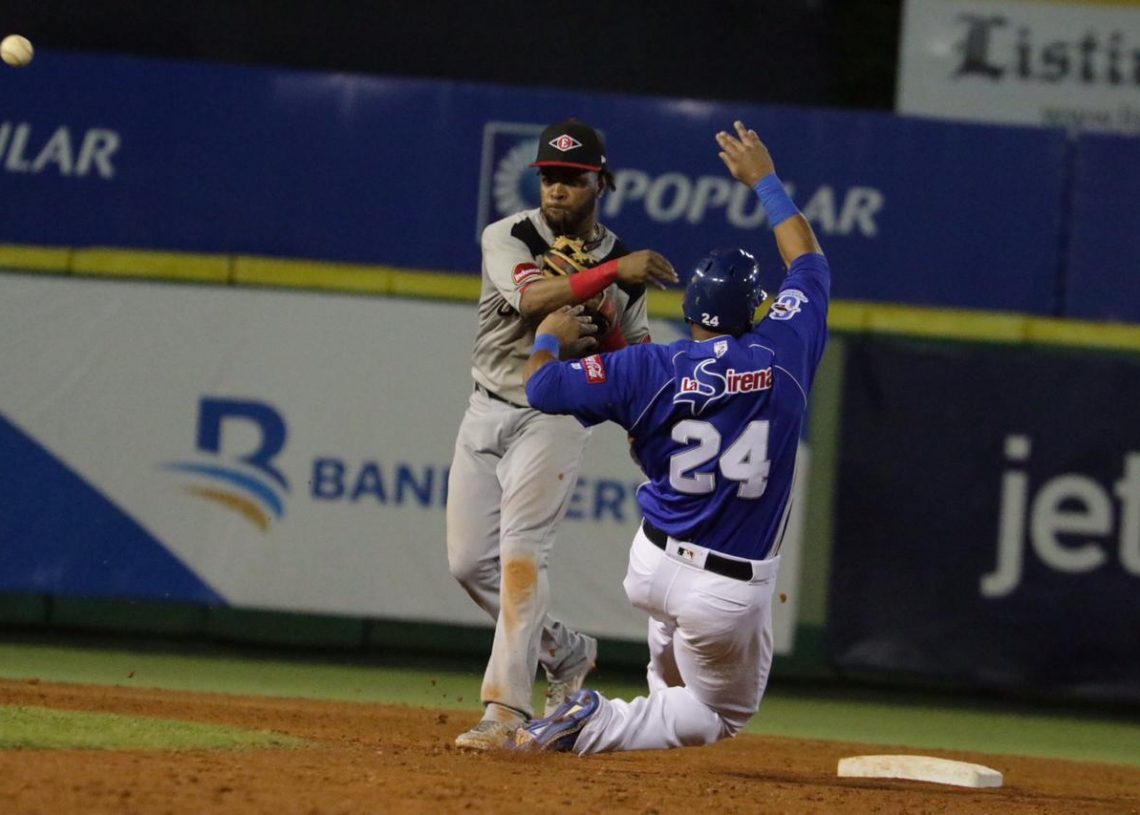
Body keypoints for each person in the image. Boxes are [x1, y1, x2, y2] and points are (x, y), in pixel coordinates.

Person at [511, 120, 830, 754]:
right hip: (726, 588)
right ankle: (594, 721)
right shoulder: (785, 351)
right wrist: (764, 179)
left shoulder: (645, 368)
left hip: (651, 563)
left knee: (679, 664)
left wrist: (549, 332)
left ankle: (647, 702)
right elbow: (809, 261)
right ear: (755, 312)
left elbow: (542, 389)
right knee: (721, 715)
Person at [447, 118, 678, 750]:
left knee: (522, 555)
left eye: (572, 180)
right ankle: (567, 652)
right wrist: (612, 275)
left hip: (555, 414)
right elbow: (532, 303)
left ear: (600, 182)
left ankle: (504, 712)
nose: (556, 190)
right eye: (549, 177)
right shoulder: (510, 235)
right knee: (470, 564)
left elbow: (633, 354)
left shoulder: (620, 264)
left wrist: (641, 425)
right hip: (486, 406)